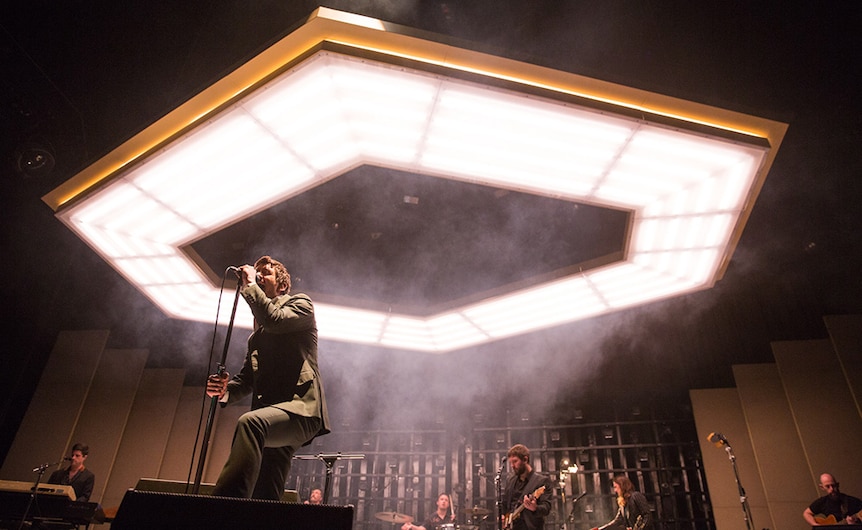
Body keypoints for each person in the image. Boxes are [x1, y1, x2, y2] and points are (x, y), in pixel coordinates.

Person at [206, 255, 330, 500]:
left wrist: (251, 284)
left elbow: (273, 319)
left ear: (282, 285)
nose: (259, 276)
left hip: (300, 410)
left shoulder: (301, 305)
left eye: (266, 273)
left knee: (250, 423)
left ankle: (223, 508)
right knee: (267, 489)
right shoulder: (256, 338)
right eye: (257, 272)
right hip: (273, 413)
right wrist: (224, 391)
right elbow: (247, 379)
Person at [501, 444, 553, 530]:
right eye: (511, 463)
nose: (512, 466)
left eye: (515, 461)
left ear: (525, 459)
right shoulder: (510, 480)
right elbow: (505, 502)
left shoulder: (542, 481)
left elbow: (546, 508)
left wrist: (535, 508)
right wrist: (503, 516)